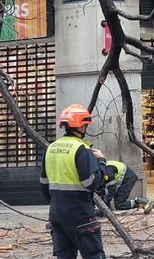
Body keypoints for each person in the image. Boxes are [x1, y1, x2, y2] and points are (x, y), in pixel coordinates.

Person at [42, 104, 107, 259]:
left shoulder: (51, 148)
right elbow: (91, 183)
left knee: (64, 256)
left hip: (57, 214)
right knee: (94, 255)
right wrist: (102, 163)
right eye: (85, 125)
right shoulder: (81, 149)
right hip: (80, 214)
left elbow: (43, 185)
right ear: (81, 126)